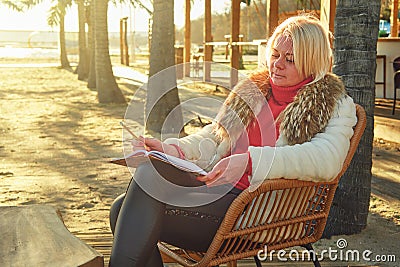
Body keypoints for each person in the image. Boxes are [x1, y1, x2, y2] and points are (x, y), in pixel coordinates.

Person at [108, 14, 357, 266]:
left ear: (312, 63)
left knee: (124, 211)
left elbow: (327, 159)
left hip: (254, 214)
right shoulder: (253, 91)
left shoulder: (333, 105)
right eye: (275, 54)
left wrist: (250, 162)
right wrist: (171, 148)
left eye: (290, 59)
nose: (278, 64)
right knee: (145, 176)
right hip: (214, 189)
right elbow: (214, 136)